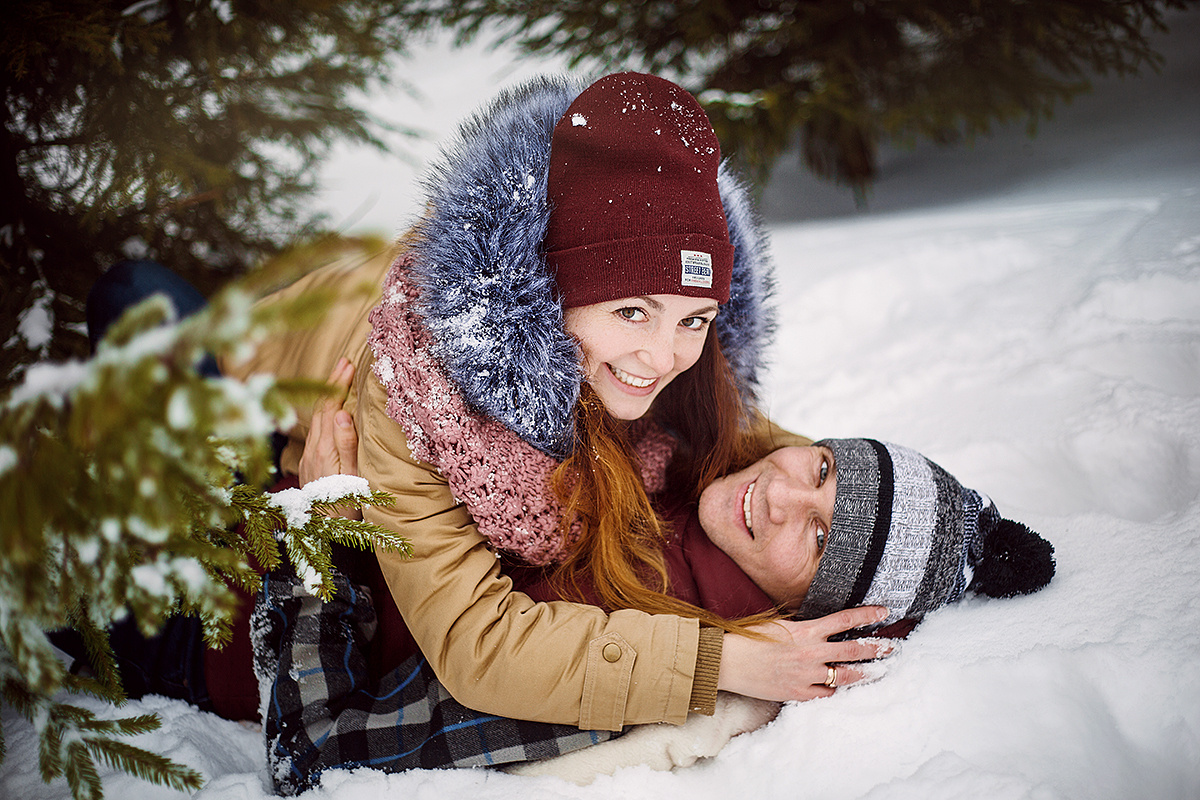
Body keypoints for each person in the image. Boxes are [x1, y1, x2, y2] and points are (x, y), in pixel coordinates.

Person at [223, 67, 894, 747]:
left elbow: (774, 460)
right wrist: (727, 661)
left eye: (694, 319)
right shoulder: (422, 394)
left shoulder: (667, 373)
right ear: (553, 292)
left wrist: (889, 529)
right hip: (225, 387)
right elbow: (476, 645)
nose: (663, 357)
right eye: (632, 312)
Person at [257, 398, 1054, 791]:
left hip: (212, 623)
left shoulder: (632, 672)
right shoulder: (691, 453)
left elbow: (318, 750)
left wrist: (317, 540)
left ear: (815, 608)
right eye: (822, 469)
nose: (781, 495)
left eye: (818, 539)